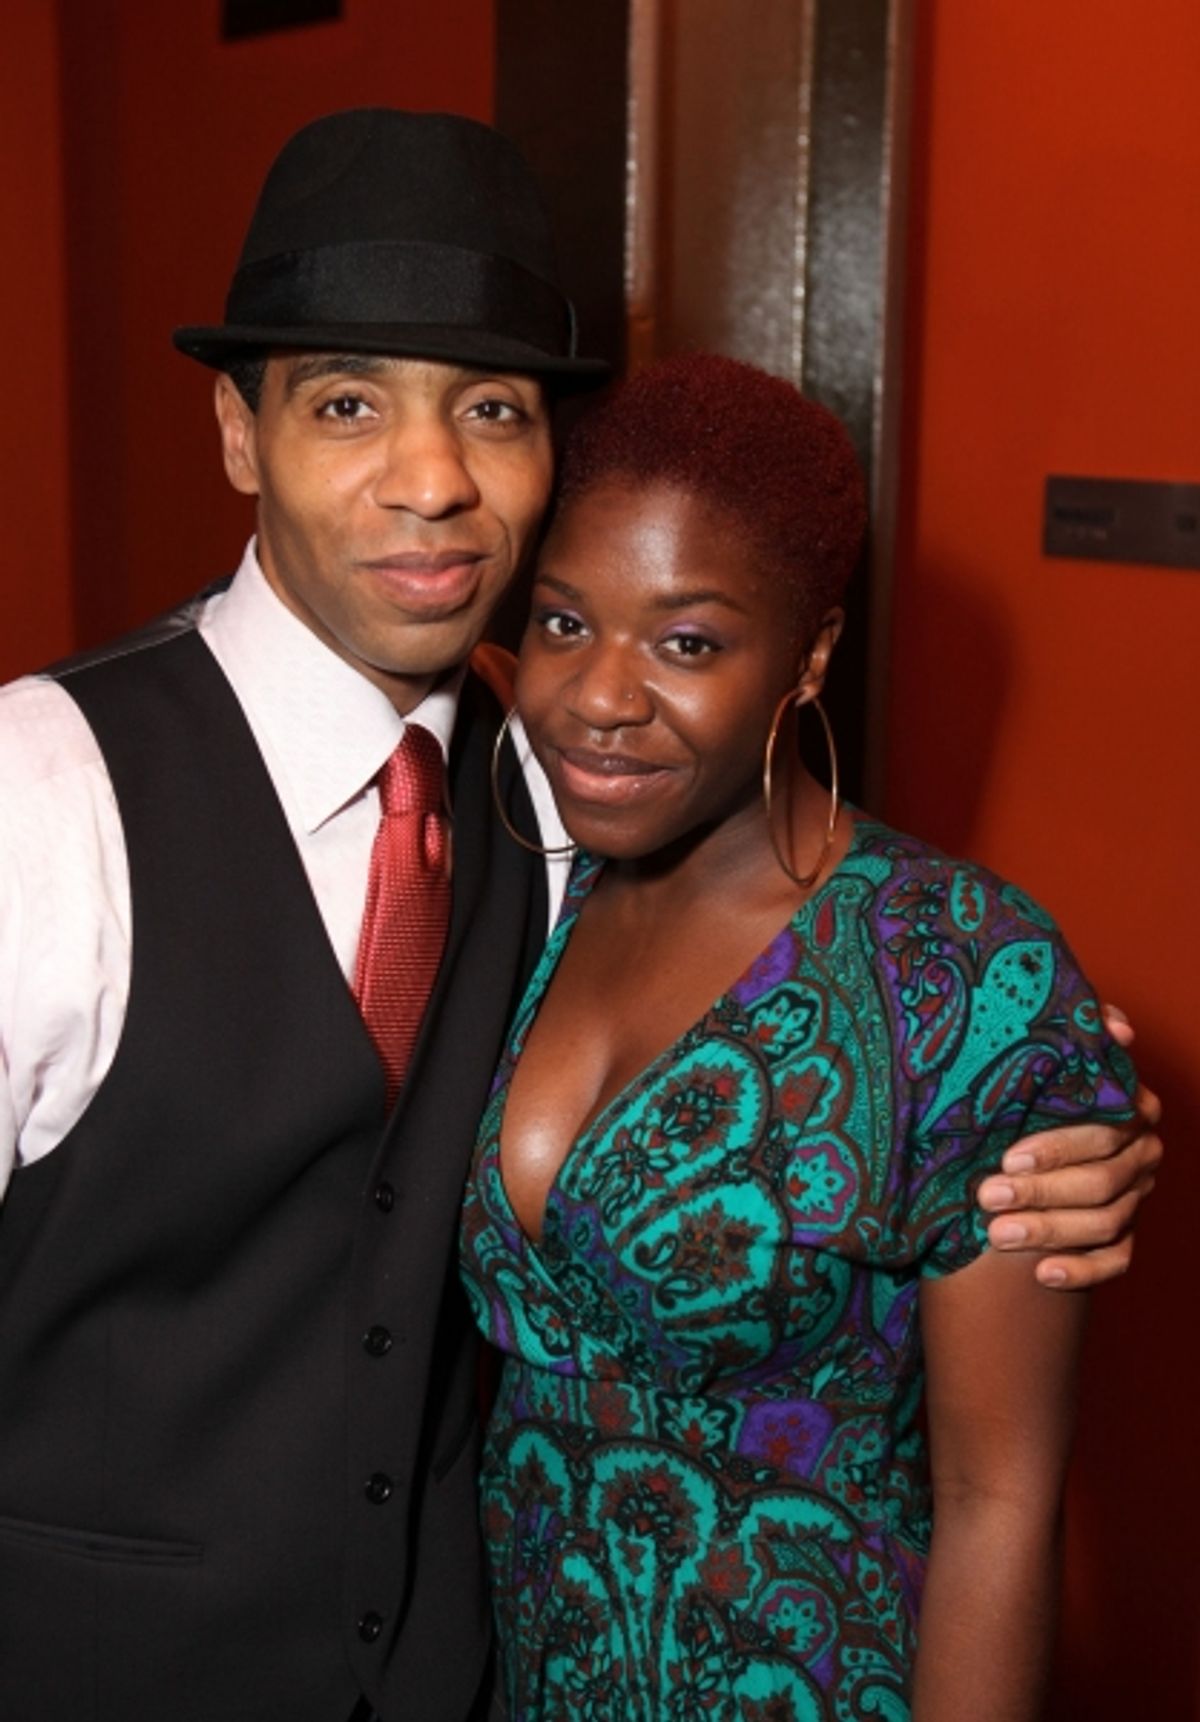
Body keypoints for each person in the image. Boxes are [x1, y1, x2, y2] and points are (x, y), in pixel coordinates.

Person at [0, 111, 1158, 1722]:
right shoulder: (34, 798)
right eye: (348, 404)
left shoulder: (547, 791)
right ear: (239, 432)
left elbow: (879, 1013)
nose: (431, 478)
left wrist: (1070, 1111)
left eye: (491, 409)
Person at [459, 353, 1140, 1720]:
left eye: (688, 641)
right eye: (563, 622)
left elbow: (1000, 1499)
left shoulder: (958, 970)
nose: (600, 695)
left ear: (809, 653)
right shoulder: (529, 883)